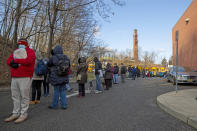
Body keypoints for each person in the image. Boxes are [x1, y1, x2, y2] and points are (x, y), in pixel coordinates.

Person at [5, 38, 35, 123]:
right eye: (19, 43)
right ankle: (15, 113)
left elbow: (29, 61)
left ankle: (23, 114)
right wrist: (11, 63)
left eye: (21, 43)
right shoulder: (16, 51)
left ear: (26, 44)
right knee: (15, 96)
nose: (20, 45)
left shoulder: (30, 51)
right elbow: (8, 61)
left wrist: (15, 60)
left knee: (24, 96)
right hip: (14, 77)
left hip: (25, 77)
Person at [48, 45, 70, 110]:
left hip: (56, 77)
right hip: (64, 76)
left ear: (55, 50)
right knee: (63, 91)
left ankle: (54, 105)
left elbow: (48, 64)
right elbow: (69, 66)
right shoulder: (66, 57)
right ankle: (64, 105)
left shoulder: (54, 57)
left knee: (56, 91)